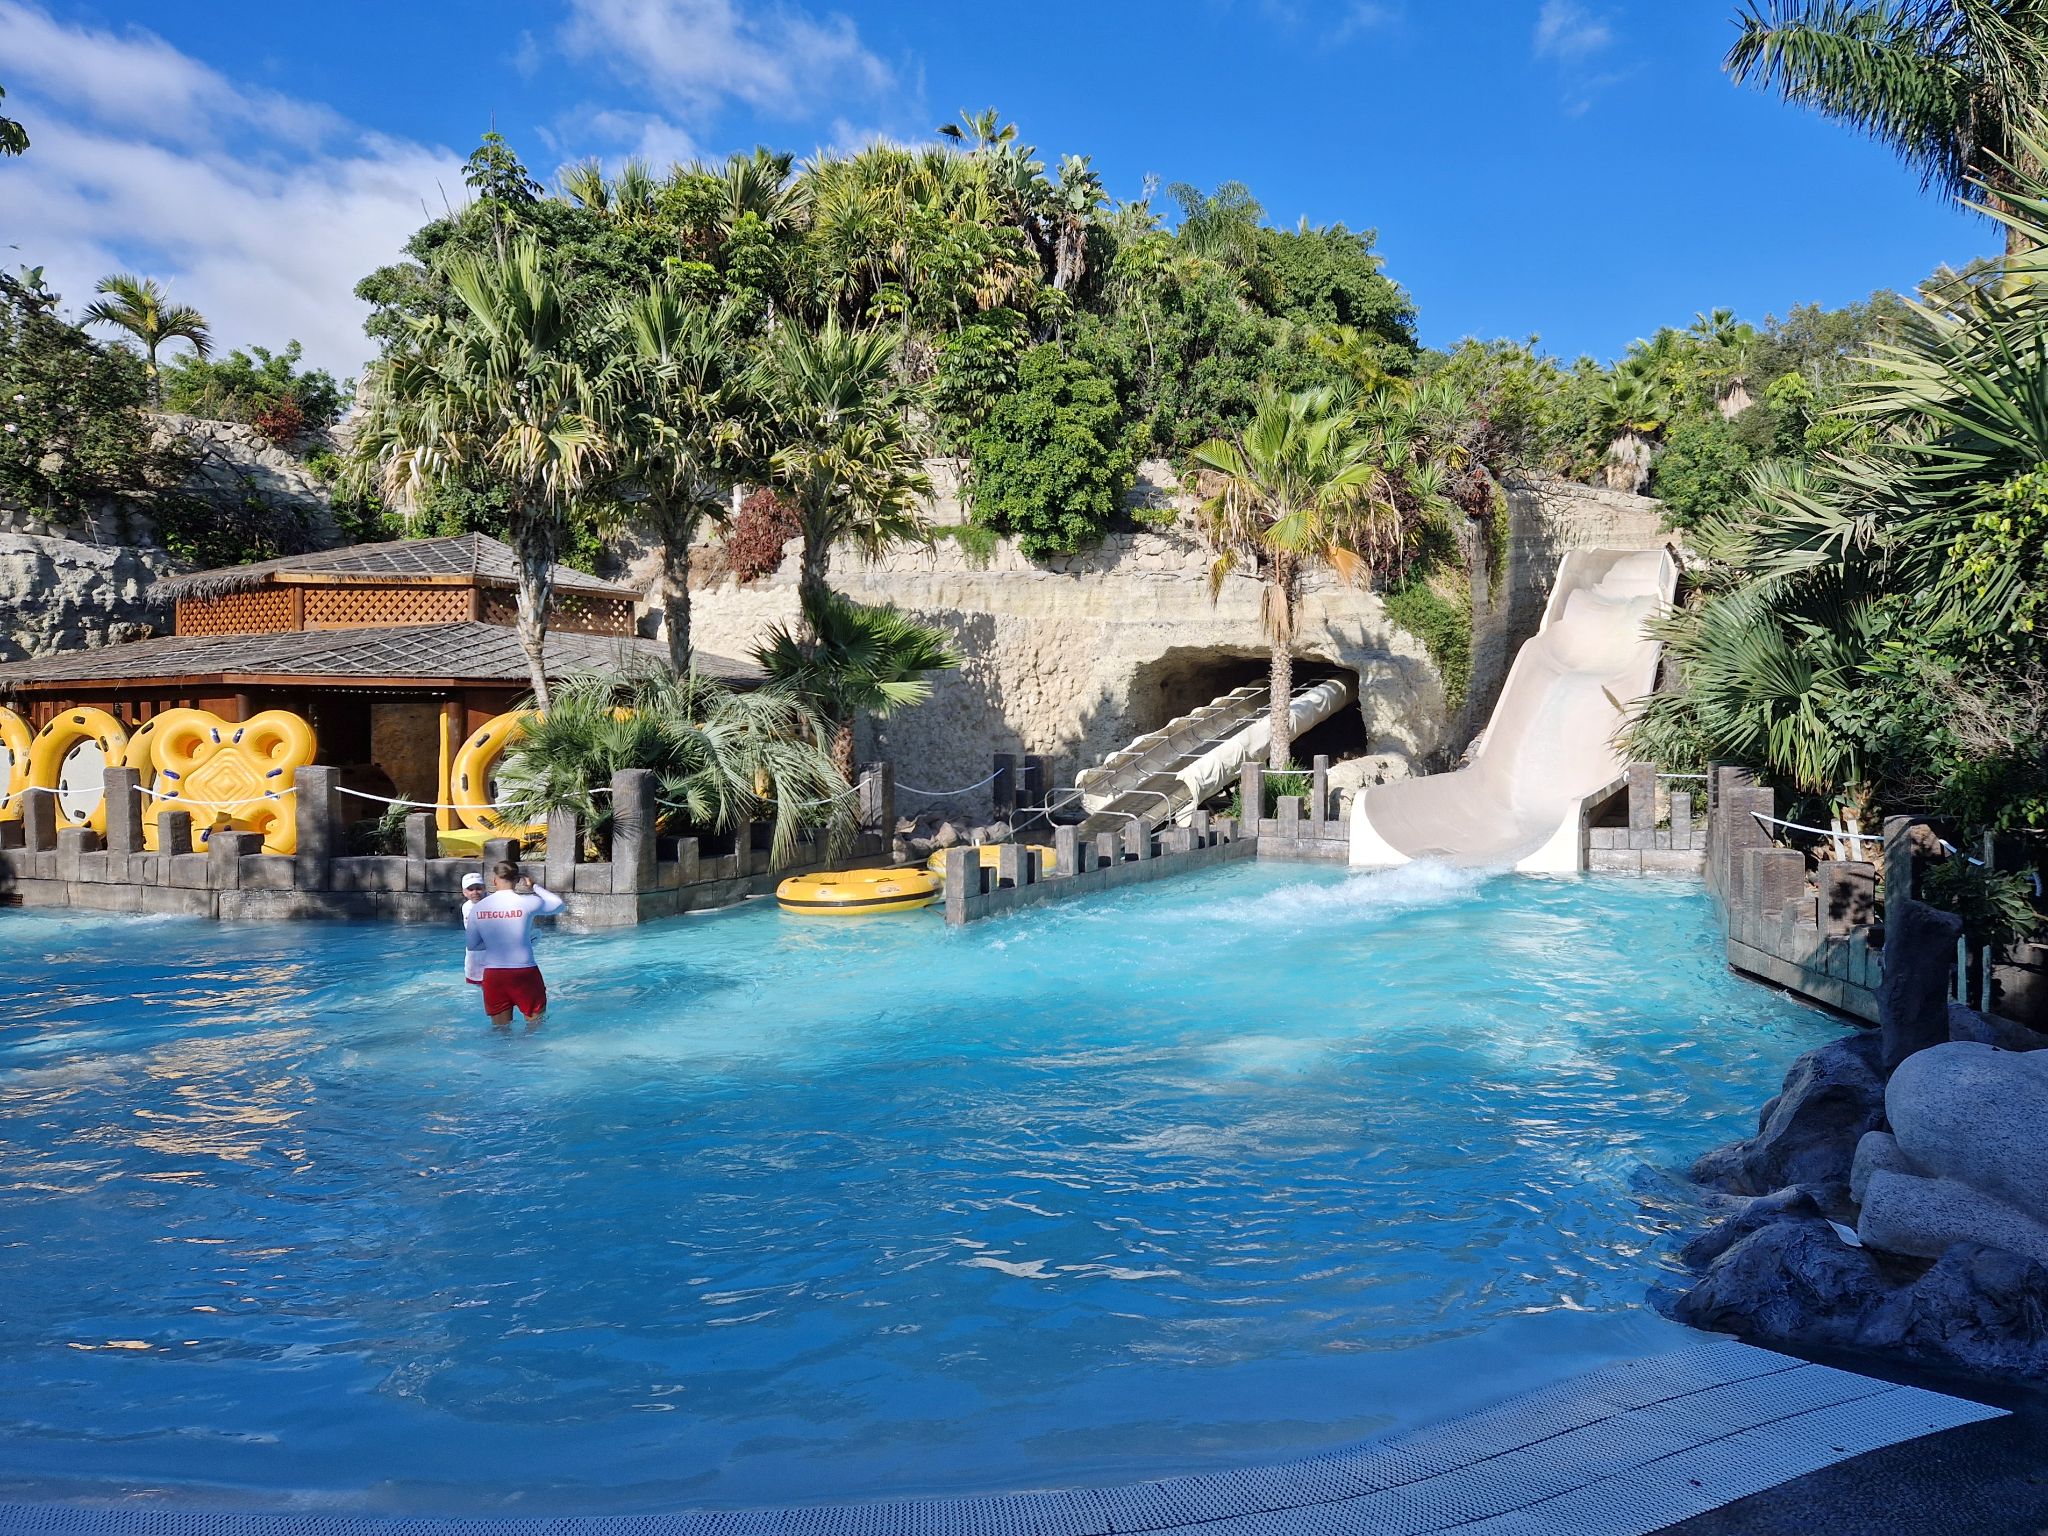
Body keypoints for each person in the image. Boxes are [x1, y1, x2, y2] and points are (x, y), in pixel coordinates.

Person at [464, 861, 565, 1029]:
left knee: (500, 1032)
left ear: (494, 880)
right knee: (536, 1028)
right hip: (525, 972)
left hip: (494, 975)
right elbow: (558, 905)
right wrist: (535, 886)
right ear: (517, 880)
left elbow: (473, 945)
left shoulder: (478, 908)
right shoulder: (527, 902)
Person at [459, 872, 487, 990]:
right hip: (475, 955)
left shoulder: (495, 903)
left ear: (484, 889)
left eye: (478, 888)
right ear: (464, 892)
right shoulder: (466, 907)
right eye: (470, 889)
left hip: (494, 954)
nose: (475, 892)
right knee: (474, 988)